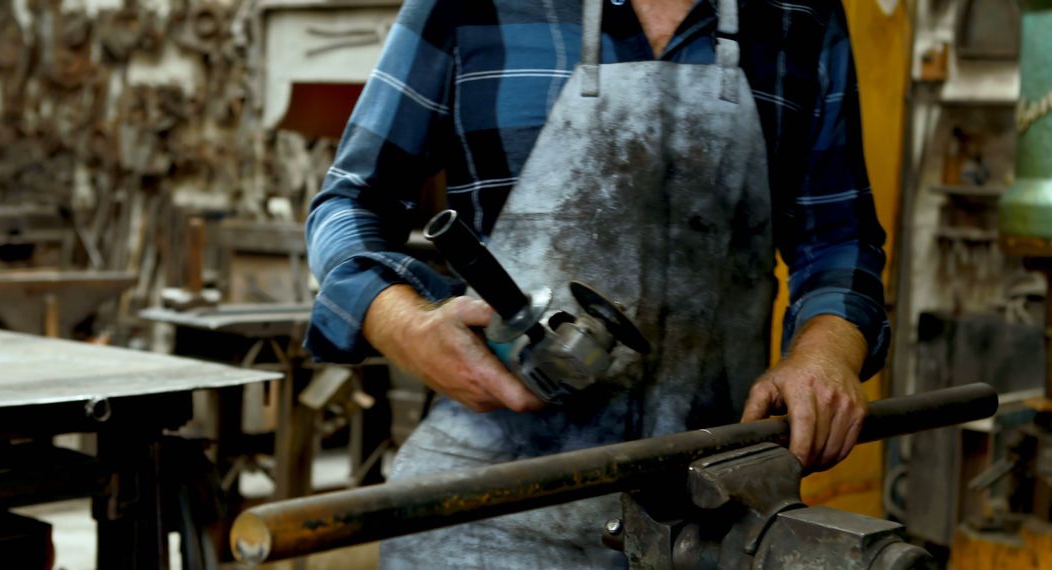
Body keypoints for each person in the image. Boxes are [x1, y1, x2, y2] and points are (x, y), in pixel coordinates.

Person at [305, 0, 889, 566]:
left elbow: (839, 239)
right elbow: (351, 201)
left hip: (712, 515)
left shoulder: (803, 14)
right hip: (490, 516)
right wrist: (403, 323)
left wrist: (826, 350)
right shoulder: (466, 6)